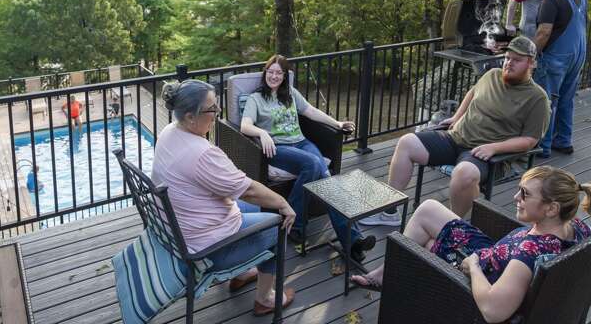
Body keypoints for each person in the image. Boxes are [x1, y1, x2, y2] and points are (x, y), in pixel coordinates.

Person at [352, 166, 591, 323]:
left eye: (525, 194)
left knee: (424, 241)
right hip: (496, 258)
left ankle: (394, 276)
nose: (516, 197)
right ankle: (390, 272)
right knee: (428, 211)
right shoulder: (577, 228)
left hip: (475, 281)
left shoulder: (529, 254)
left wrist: (472, 266)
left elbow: (493, 312)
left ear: (551, 208)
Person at [360, 36, 550, 225]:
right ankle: (388, 211)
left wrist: (494, 148)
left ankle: (451, 227)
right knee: (407, 142)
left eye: (517, 60)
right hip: (455, 138)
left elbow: (530, 140)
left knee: (464, 173)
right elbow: (473, 92)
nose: (509, 63)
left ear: (531, 63)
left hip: (485, 155)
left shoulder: (537, 98)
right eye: (508, 57)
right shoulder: (492, 75)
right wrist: (456, 117)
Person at [152, 79, 297, 316]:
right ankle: (265, 299)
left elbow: (233, 189)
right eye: (212, 109)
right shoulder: (202, 153)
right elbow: (248, 189)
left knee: (256, 209)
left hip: (178, 228)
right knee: (277, 225)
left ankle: (240, 274)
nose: (217, 113)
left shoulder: (169, 132)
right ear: (190, 116)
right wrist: (284, 203)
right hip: (203, 248)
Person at [240, 54, 376, 261]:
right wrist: (262, 133)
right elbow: (244, 125)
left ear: (285, 76)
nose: (274, 76)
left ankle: (352, 241)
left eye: (279, 73)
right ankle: (339, 234)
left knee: (326, 179)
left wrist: (337, 124)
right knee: (315, 163)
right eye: (270, 72)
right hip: (278, 148)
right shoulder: (256, 98)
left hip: (302, 143)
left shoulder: (290, 94)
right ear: (265, 73)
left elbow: (311, 111)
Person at [533, 0, 588, 158]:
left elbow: (543, 32)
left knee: (546, 101)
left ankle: (543, 146)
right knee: (566, 98)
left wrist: (532, 54)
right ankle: (563, 141)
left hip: (557, 56)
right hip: (578, 53)